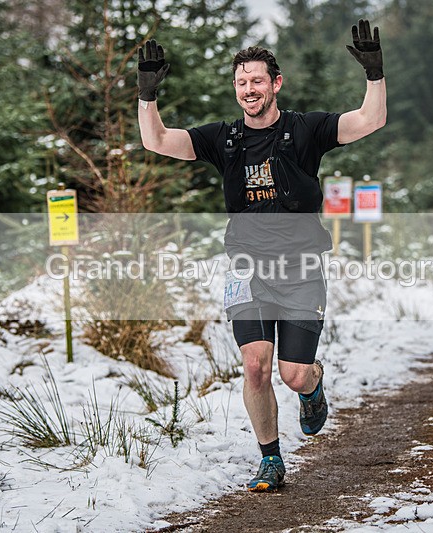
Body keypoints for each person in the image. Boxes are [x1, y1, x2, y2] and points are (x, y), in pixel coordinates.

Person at [137, 19, 387, 492]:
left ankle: (312, 385)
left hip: (301, 270)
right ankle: (270, 458)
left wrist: (375, 76)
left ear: (275, 84)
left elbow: (369, 120)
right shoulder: (223, 139)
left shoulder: (306, 130)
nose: (248, 89)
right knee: (255, 365)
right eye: (240, 82)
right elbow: (158, 141)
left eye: (256, 80)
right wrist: (147, 96)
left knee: (292, 374)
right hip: (246, 269)